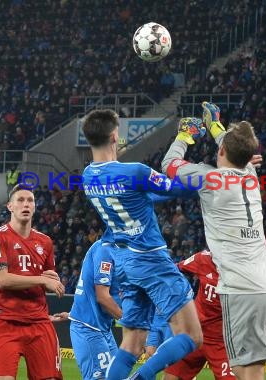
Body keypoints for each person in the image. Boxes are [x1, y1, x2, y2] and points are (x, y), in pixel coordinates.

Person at [161, 102, 266, 380]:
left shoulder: (210, 178)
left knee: (250, 371)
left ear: (220, 152)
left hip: (243, 290)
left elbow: (169, 165)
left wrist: (184, 135)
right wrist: (215, 125)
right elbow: (235, 149)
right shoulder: (251, 175)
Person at [81, 109, 203, 380]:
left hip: (125, 263)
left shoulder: (88, 176)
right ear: (115, 136)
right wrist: (221, 176)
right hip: (151, 259)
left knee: (133, 341)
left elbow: (144, 197)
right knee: (192, 335)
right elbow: (179, 188)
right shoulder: (135, 171)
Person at [0, 184, 65, 380]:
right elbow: (2, 280)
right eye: (20, 200)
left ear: (35, 207)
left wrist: (52, 281)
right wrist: (42, 280)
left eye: (30, 200)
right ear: (10, 206)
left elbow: (49, 279)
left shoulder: (45, 242)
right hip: (4, 321)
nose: (25, 204)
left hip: (38, 323)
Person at [164, 250, 235, 380]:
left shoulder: (242, 269)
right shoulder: (203, 258)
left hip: (221, 342)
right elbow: (174, 269)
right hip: (195, 334)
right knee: (170, 376)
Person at [67, 240, 122, 380]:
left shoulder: (118, 249)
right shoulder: (106, 249)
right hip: (89, 326)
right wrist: (134, 325)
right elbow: (103, 298)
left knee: (116, 376)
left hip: (103, 326)